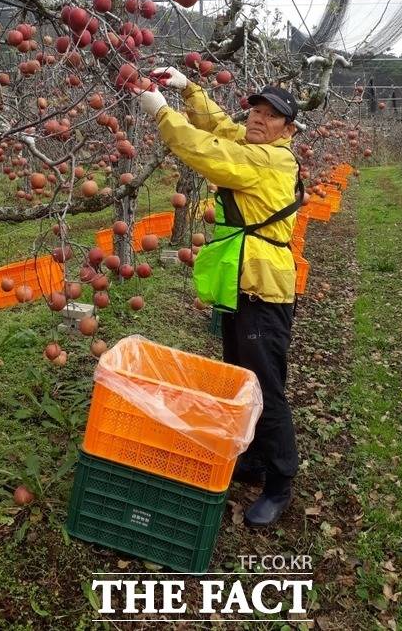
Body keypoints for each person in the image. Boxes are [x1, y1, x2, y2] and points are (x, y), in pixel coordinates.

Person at [135, 66, 302, 527]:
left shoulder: (269, 161)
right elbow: (221, 127)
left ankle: (281, 481)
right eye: (257, 110)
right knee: (241, 377)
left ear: (288, 130)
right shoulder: (255, 143)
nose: (257, 120)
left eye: (272, 117)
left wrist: (161, 113)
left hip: (262, 289)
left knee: (265, 387)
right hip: (241, 281)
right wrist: (188, 89)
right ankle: (250, 460)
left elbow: (207, 151)